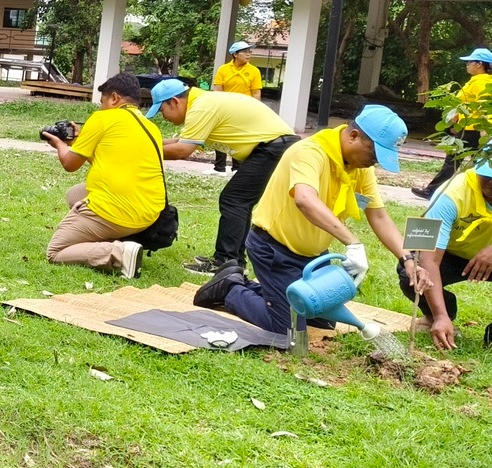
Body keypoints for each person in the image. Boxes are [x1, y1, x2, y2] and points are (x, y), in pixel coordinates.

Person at [193, 105, 422, 340]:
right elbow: (305, 199)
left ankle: (258, 289)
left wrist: (407, 259)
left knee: (322, 320)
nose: (374, 163)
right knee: (288, 328)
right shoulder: (310, 152)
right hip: (273, 249)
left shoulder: (358, 167)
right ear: (353, 136)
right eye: (373, 155)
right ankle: (230, 289)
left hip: (313, 255)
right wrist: (353, 243)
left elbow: (379, 215)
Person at [148, 77, 296, 275]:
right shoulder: (201, 103)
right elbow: (179, 140)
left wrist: (144, 152)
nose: (162, 117)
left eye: (161, 110)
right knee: (238, 201)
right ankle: (234, 260)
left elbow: (182, 150)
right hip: (275, 146)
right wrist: (146, 141)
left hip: (273, 147)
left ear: (175, 101)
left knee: (234, 199)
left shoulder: (202, 106)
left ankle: (225, 260)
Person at [40, 73, 166, 279]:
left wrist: (59, 144)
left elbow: (70, 164)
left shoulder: (102, 118)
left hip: (116, 209)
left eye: (103, 102)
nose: (100, 108)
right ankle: (121, 237)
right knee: (75, 195)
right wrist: (80, 142)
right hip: (150, 211)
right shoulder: (152, 128)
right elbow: (110, 159)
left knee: (55, 251)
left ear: (114, 98)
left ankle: (119, 253)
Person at [399, 161, 492, 350]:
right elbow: (430, 259)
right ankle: (438, 315)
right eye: (487, 176)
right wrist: (441, 315)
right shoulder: (450, 195)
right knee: (411, 273)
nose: (490, 183)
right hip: (449, 254)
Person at [415, 48, 492, 199]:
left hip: (472, 129)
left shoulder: (480, 83)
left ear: (479, 64)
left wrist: (483, 128)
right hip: (475, 129)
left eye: (470, 62)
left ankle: (432, 191)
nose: (467, 65)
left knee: (454, 161)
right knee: (478, 163)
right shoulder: (481, 81)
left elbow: (482, 106)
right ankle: (478, 196)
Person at [211, 41, 263, 171]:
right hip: (225, 108)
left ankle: (237, 168)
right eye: (245, 51)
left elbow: (256, 92)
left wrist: (255, 109)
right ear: (235, 54)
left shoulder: (254, 71)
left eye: (249, 51)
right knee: (220, 136)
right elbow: (218, 90)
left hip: (244, 109)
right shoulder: (223, 69)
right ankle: (219, 168)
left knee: (239, 138)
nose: (248, 54)